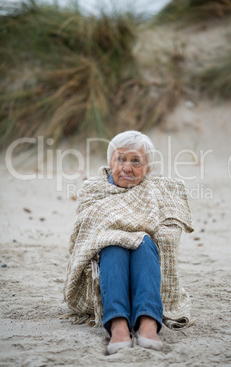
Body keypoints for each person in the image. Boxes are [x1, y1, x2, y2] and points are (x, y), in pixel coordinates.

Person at [64, 130, 194, 355]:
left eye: (136, 161)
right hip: (107, 266)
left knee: (142, 243)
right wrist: (122, 235)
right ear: (110, 161)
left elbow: (169, 232)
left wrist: (137, 234)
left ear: (147, 169)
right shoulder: (93, 190)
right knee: (114, 245)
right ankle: (118, 324)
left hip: (146, 264)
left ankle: (147, 321)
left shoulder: (156, 191)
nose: (126, 167)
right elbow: (86, 232)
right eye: (120, 158)